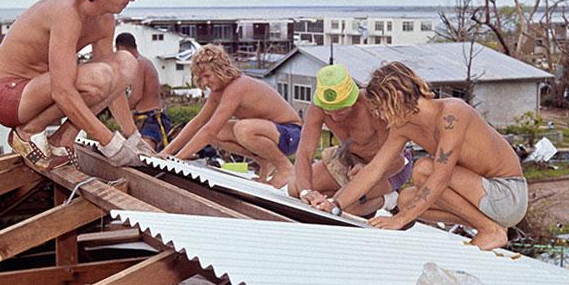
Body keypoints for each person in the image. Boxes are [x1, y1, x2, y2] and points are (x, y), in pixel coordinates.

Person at [0, 0, 151, 169]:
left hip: (41, 93)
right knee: (99, 76)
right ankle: (27, 133)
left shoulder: (104, 19)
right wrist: (109, 142)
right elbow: (62, 91)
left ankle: (63, 139)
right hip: (9, 96)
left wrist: (133, 137)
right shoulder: (67, 12)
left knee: (126, 64)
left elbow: (114, 87)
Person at [328, 62, 527, 249]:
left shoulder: (452, 114)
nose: (379, 116)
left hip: (508, 195)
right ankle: (491, 227)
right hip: (481, 196)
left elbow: (441, 177)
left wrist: (400, 220)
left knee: (424, 169)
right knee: (406, 200)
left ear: (396, 97)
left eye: (380, 109)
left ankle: (490, 230)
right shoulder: (403, 127)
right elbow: (374, 169)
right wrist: (334, 204)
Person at [161, 44, 302, 188]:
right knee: (220, 133)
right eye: (200, 78)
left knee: (243, 128)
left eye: (207, 76)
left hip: (290, 133)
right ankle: (264, 161)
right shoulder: (218, 93)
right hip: (272, 134)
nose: (204, 82)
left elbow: (210, 130)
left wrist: (178, 158)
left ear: (220, 70)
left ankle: (286, 168)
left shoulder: (237, 86)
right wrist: (166, 153)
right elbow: (198, 123)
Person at [289, 64, 412, 217]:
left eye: (341, 110)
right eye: (329, 111)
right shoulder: (317, 108)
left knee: (345, 207)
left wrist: (364, 173)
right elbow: (304, 153)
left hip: (389, 168)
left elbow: (397, 161)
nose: (334, 117)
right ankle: (361, 201)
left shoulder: (373, 108)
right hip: (350, 161)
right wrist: (307, 192)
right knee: (295, 188)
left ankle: (389, 200)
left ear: (353, 99)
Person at [113, 30, 173, 150]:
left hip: (151, 118)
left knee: (145, 154)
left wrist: (119, 110)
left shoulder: (138, 63)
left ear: (121, 48)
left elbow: (136, 96)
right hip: (143, 116)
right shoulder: (141, 62)